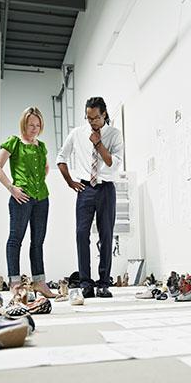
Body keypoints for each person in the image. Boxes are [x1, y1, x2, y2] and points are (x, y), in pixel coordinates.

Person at [56, 97, 123, 298]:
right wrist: (70, 181)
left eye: (95, 118)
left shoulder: (115, 135)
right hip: (85, 188)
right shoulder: (77, 133)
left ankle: (103, 283)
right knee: (81, 234)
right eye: (88, 117)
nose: (91, 122)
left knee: (106, 235)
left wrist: (99, 143)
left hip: (106, 189)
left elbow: (111, 163)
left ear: (104, 115)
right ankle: (86, 283)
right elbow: (61, 158)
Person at [0, 106, 56, 298]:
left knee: (38, 241)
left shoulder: (41, 146)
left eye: (38, 125)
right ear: (24, 124)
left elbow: (45, 167)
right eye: (31, 125)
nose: (34, 128)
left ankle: (39, 282)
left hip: (41, 198)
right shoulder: (14, 143)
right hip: (22, 198)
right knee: (15, 240)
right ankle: (15, 283)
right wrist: (12, 188)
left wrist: (38, 182)